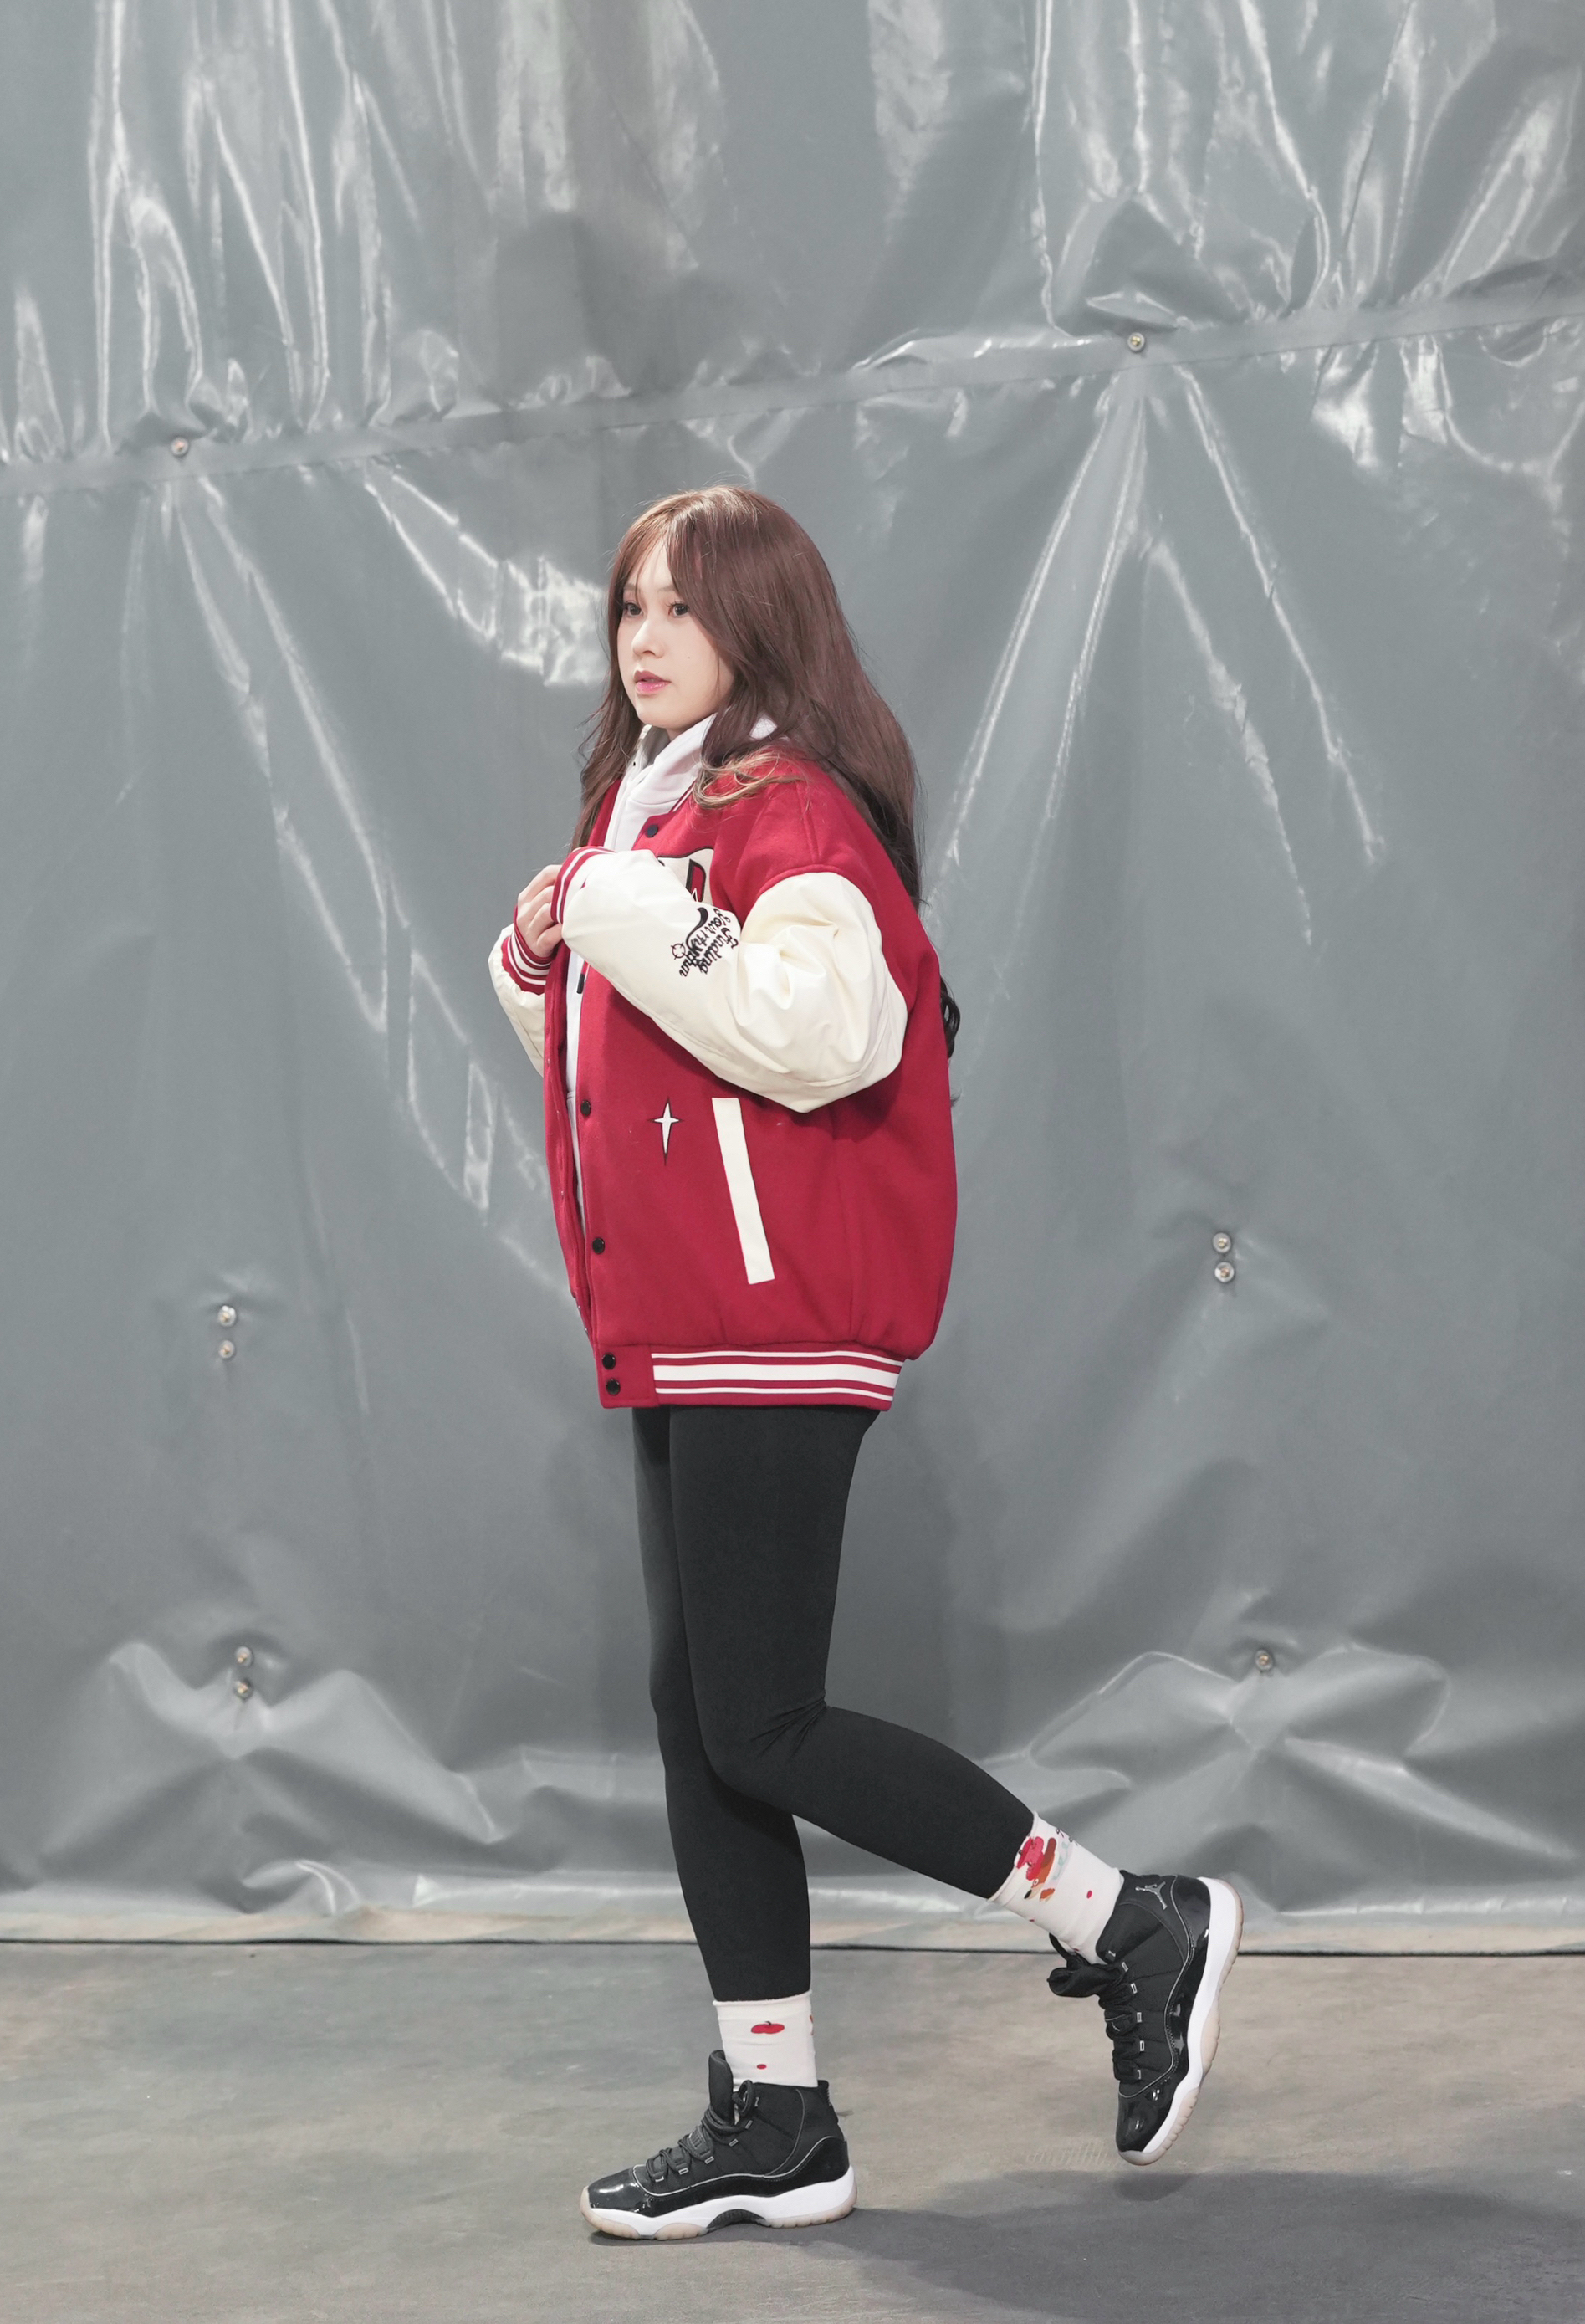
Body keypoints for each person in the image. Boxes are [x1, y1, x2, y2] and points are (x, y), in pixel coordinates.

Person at [488, 484, 1240, 2241]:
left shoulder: (791, 809)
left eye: (685, 606)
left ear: (761, 624)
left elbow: (825, 1030)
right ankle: (778, 2114)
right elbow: (638, 1070)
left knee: (758, 1720)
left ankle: (1129, 1921)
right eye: (629, 608)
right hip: (686, 1322)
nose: (647, 637)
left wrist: (615, 905)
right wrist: (543, 954)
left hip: (774, 1320)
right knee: (703, 1723)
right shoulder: (655, 816)